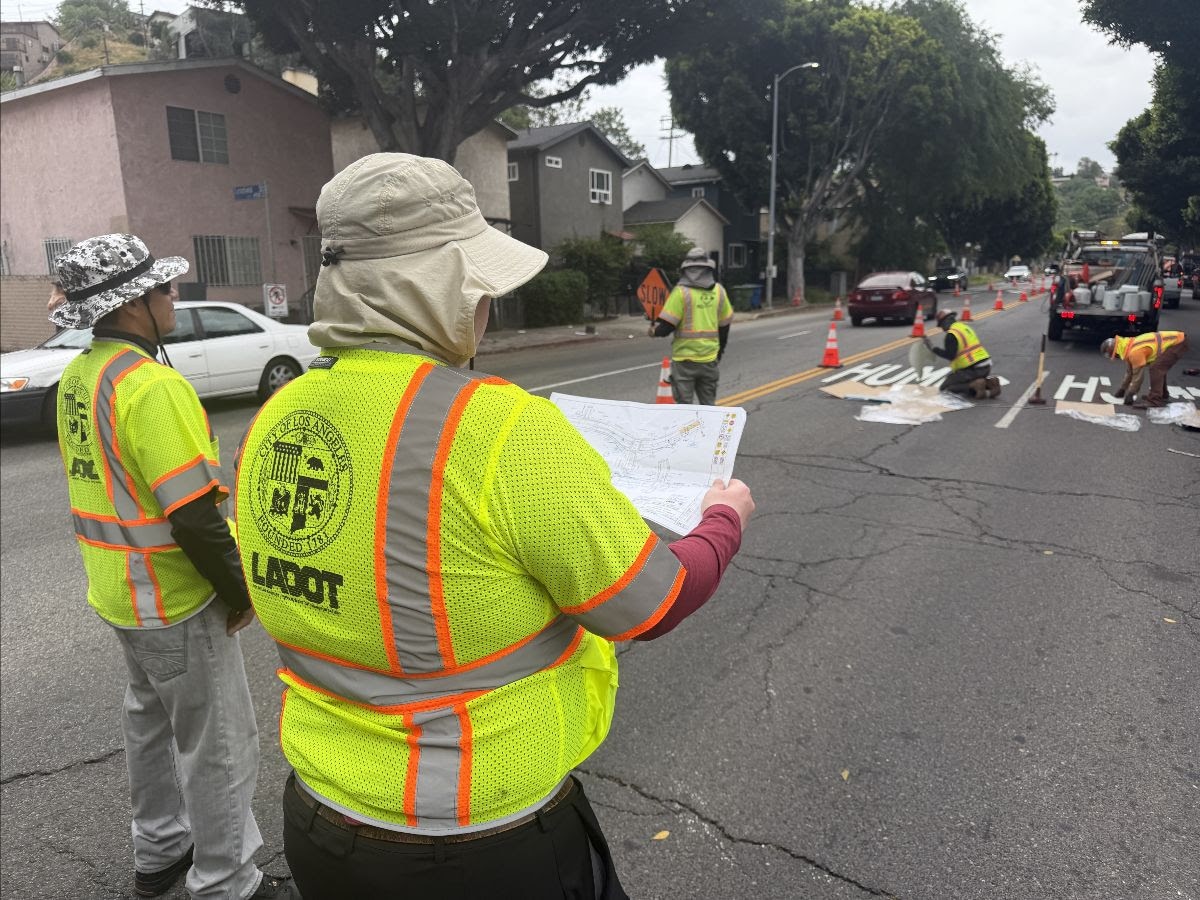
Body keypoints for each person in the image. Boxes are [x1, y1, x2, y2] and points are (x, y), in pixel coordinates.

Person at [234, 154, 755, 900]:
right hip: (480, 842)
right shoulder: (499, 428)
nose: (485, 308)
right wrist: (723, 521)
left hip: (318, 818)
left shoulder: (276, 418)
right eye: (476, 287)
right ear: (439, 289)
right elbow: (653, 603)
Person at [48, 234, 298, 900]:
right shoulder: (151, 387)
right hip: (176, 598)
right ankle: (226, 882)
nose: (173, 297)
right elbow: (192, 515)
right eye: (163, 289)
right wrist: (241, 592)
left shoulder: (80, 376)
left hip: (119, 592)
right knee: (216, 744)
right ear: (133, 305)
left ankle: (159, 852)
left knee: (150, 725)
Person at [648, 247, 734, 405]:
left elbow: (666, 328)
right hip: (709, 360)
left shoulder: (680, 293)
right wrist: (719, 352)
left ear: (685, 270)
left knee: (685, 408)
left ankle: (689, 430)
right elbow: (724, 327)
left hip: (684, 361)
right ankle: (707, 430)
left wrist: (653, 331)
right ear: (709, 268)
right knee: (708, 407)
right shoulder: (719, 292)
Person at [1100, 330, 1190, 408]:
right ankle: (1162, 395)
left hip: (1178, 342)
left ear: (1115, 352)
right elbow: (1130, 372)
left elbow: (1138, 376)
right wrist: (1122, 389)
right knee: (1160, 367)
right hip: (1177, 340)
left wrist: (1131, 393)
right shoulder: (1127, 346)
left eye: (1114, 356)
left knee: (1156, 368)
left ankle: (1155, 400)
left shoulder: (1134, 353)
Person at [924, 308, 1000, 398]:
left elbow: (950, 356)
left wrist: (933, 348)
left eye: (941, 325)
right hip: (985, 366)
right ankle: (990, 383)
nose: (942, 329)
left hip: (972, 369)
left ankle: (975, 385)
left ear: (945, 322)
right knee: (956, 379)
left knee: (945, 388)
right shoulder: (964, 327)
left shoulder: (951, 335)